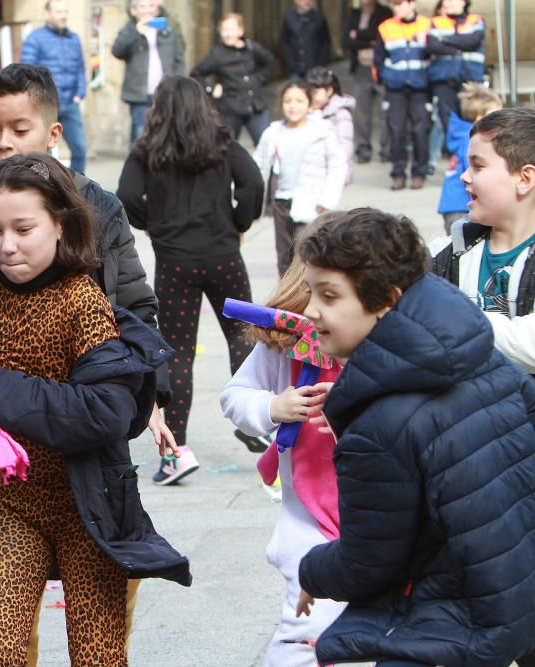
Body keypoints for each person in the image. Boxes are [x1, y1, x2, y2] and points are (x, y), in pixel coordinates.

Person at [0, 62, 172, 661]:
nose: (3, 142)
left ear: (53, 130)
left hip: (89, 427)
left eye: (18, 127)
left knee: (100, 634)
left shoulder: (99, 214)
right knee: (1, 641)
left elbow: (135, 305)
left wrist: (151, 392)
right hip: (6, 461)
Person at [294, 208, 535, 667]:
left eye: (328, 296)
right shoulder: (473, 353)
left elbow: (368, 561)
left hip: (462, 614)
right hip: (519, 585)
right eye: (311, 292)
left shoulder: (379, 425)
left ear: (386, 298)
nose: (310, 311)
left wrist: (312, 572)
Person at [117, 75, 263, 478]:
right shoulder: (222, 143)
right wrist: (238, 222)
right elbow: (252, 183)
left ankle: (176, 451)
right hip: (223, 256)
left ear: (159, 109)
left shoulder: (148, 150)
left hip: (174, 262)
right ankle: (259, 419)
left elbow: (126, 196)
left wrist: (156, 225)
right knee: (244, 336)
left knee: (178, 351)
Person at [220, 254, 346, 667]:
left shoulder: (384, 343)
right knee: (302, 639)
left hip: (383, 516)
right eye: (317, 293)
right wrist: (275, 405)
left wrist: (356, 418)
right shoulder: (287, 343)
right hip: (309, 517)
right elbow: (235, 396)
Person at [431, 107, 535, 374]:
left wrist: (444, 318)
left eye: (478, 166)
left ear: (524, 179)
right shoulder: (450, 251)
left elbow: (529, 345)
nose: (464, 176)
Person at [253, 81, 346, 274]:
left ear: (310, 104)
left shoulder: (322, 131)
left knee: (305, 256)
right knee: (283, 257)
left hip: (311, 202)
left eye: (299, 101)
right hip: (281, 202)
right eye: (288, 101)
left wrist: (327, 199)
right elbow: (258, 163)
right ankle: (285, 301)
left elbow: (337, 165)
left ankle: (306, 300)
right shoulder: (272, 133)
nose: (293, 106)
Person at [20, 0, 89, 173]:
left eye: (65, 12)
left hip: (70, 102)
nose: (63, 16)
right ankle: (44, 187)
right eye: (59, 12)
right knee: (42, 151)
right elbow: (28, 72)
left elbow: (80, 67)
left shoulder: (74, 38)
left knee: (80, 148)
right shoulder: (35, 38)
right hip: (46, 104)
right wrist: (40, 97)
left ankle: (76, 190)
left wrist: (80, 92)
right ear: (47, 14)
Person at [190, 12, 274, 146]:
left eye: (232, 29)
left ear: (240, 31)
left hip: (255, 105)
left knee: (266, 144)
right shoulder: (217, 54)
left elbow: (269, 61)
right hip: (231, 107)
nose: (228, 34)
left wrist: (258, 79)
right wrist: (211, 89)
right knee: (226, 147)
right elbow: (196, 73)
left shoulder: (252, 48)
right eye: (224, 30)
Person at [375, 0, 432, 190]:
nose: (397, 8)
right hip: (395, 88)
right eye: (395, 5)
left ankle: (419, 173)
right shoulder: (386, 28)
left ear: (412, 4)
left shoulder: (427, 24)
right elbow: (379, 59)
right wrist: (385, 78)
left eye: (400, 4)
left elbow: (433, 53)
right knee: (396, 130)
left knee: (420, 130)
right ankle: (398, 174)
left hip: (420, 87)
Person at [111, 0, 185, 142]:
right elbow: (117, 51)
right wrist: (136, 32)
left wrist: (177, 84)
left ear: (158, 9)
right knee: (141, 137)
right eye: (142, 6)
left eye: (151, 5)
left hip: (166, 92)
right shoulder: (129, 30)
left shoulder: (168, 30)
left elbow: (179, 60)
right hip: (140, 96)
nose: (147, 10)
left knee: (167, 135)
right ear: (134, 11)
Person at [434, 82, 501, 233]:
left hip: (454, 204)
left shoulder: (464, 134)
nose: (500, 120)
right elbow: (475, 170)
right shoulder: (471, 140)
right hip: (461, 206)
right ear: (480, 118)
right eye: (495, 115)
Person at [343, 0, 394, 164]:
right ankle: (362, 150)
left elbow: (379, 36)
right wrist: (367, 40)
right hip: (361, 68)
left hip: (380, 67)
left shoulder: (384, 12)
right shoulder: (354, 13)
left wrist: (358, 34)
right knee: (361, 113)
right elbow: (346, 41)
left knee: (384, 111)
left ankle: (386, 151)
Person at [426, 0, 485, 133]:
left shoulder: (476, 20)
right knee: (448, 120)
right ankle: (454, 152)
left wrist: (445, 39)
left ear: (463, 2)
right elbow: (433, 46)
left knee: (472, 118)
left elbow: (473, 41)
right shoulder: (436, 22)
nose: (447, 4)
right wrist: (460, 44)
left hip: (470, 78)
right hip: (443, 78)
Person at [305, 67, 356, 184]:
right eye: (308, 93)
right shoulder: (310, 111)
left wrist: (338, 172)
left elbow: (345, 145)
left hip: (334, 173)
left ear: (329, 90)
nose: (311, 97)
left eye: (315, 92)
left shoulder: (341, 114)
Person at [280, 0, 332, 80]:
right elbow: (285, 42)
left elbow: (326, 43)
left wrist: (321, 64)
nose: (306, 1)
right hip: (296, 70)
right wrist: (290, 63)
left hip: (315, 71)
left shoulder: (319, 19)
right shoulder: (289, 19)